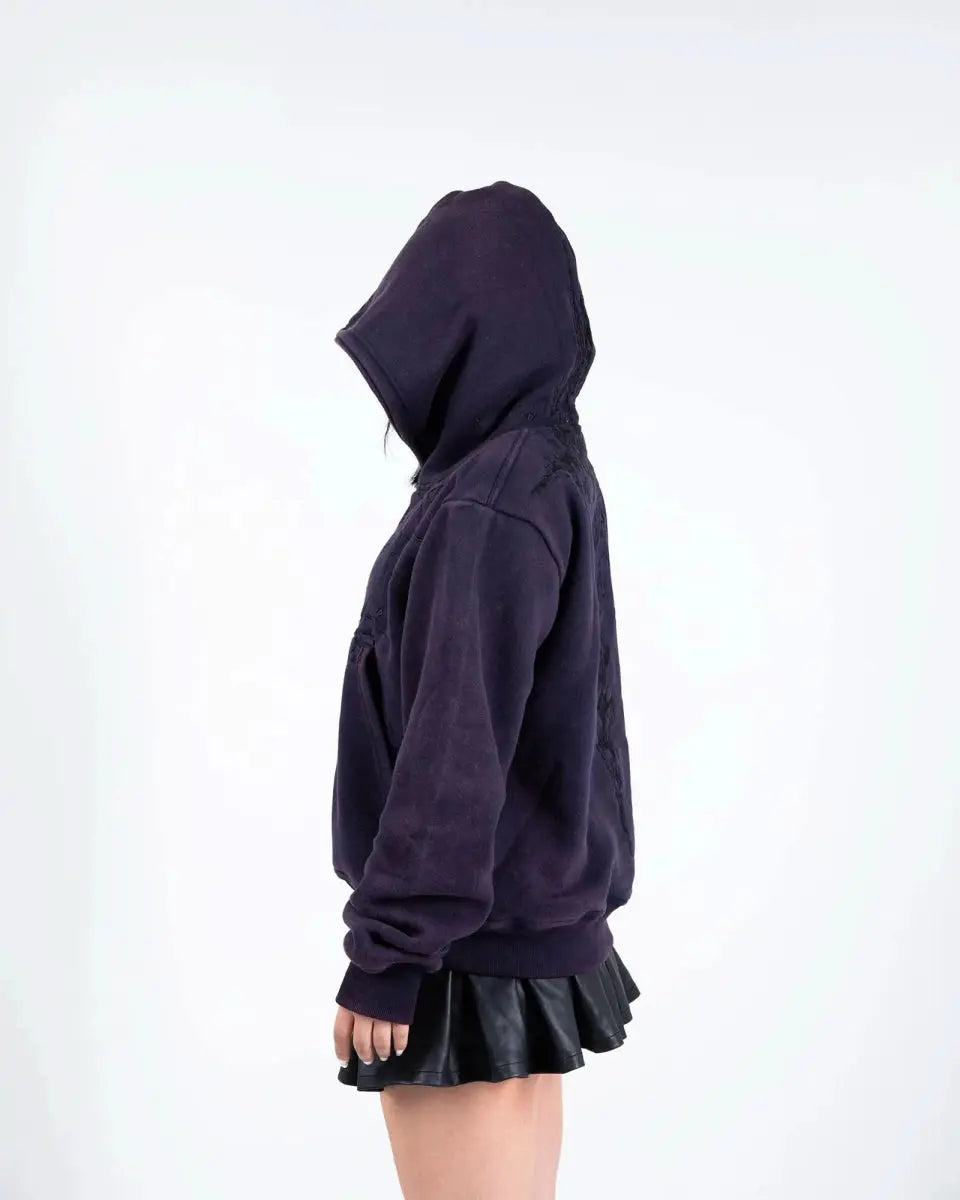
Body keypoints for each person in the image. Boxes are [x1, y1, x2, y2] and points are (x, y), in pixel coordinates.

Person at [329, 179, 639, 1199]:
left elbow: (455, 741)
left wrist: (391, 952)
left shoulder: (489, 502)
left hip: (465, 958)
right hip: (520, 938)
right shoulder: (546, 472)